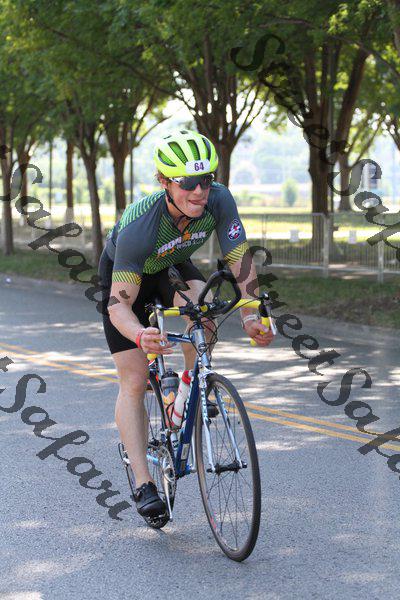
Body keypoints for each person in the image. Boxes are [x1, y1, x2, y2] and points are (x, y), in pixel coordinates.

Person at [98, 129, 274, 519]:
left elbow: (239, 258)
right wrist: (140, 334)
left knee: (204, 314)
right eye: (188, 183)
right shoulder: (140, 228)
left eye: (206, 180)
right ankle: (143, 483)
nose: (199, 192)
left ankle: (189, 386)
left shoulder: (219, 200)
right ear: (164, 182)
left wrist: (251, 313)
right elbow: (118, 306)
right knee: (134, 378)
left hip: (171, 265)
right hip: (127, 279)